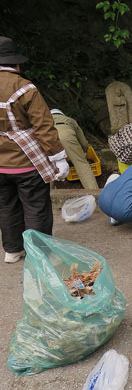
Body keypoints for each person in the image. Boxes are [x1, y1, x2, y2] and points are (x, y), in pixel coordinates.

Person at [0, 36, 69, 264]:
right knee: (36, 207)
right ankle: (40, 254)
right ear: (16, 64)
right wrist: (58, 158)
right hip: (26, 162)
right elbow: (44, 126)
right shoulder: (24, 88)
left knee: (6, 206)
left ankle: (12, 250)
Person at [50, 109, 99, 190]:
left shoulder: (45, 120)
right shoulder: (70, 120)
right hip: (67, 137)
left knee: (50, 167)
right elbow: (83, 143)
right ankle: (94, 193)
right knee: (82, 165)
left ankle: (48, 195)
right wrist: (83, 152)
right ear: (62, 114)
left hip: (50, 138)